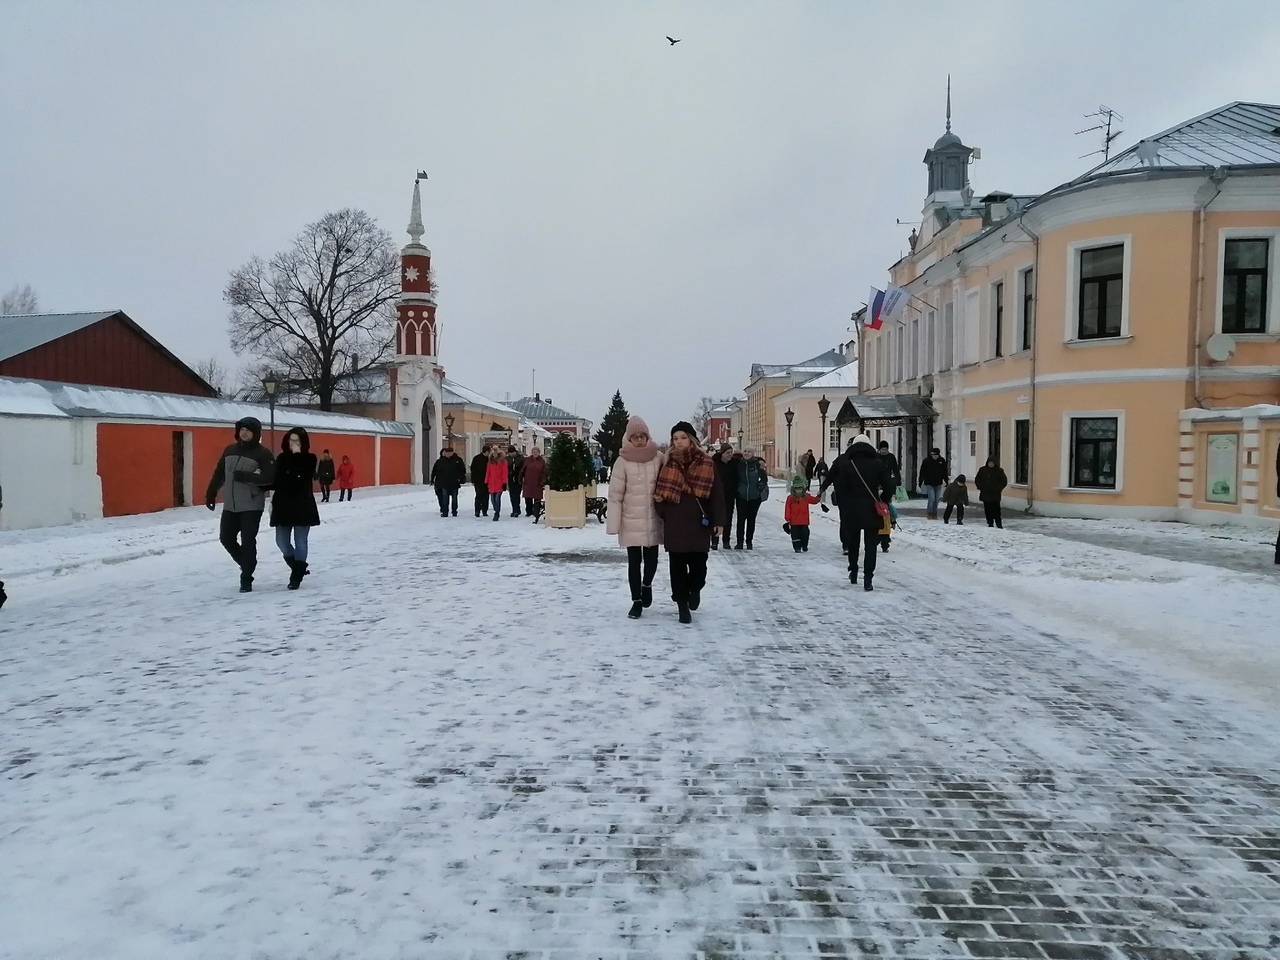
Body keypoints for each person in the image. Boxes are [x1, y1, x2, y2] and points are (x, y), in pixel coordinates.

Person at [653, 422, 725, 623]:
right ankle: (682, 604)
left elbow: (717, 494)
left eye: (683, 437)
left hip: (698, 522)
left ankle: (695, 588)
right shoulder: (667, 463)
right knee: (676, 567)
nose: (679, 442)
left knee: (699, 568)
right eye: (675, 438)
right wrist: (663, 510)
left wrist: (719, 520)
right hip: (675, 521)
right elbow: (658, 492)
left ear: (691, 439)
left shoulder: (707, 463)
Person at [205, 416, 276, 593]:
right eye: (242, 429)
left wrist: (247, 477)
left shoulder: (263, 453)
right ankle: (247, 563)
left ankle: (246, 577)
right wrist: (211, 493)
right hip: (230, 504)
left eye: (248, 430)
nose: (244, 433)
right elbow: (219, 472)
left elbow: (270, 478)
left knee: (248, 540)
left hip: (251, 505)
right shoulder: (229, 450)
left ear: (255, 433)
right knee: (226, 538)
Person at [606, 416, 665, 619]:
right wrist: (614, 524)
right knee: (634, 562)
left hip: (653, 517)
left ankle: (646, 584)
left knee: (652, 559)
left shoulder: (658, 457)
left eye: (642, 436)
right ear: (628, 438)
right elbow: (615, 495)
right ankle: (636, 601)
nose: (639, 440)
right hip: (631, 518)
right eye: (635, 437)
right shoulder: (622, 461)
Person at [819, 433, 892, 591]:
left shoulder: (845, 463)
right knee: (871, 545)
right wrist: (883, 499)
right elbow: (889, 486)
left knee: (853, 542)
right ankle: (868, 578)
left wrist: (842, 502)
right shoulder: (878, 464)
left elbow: (837, 484)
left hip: (851, 509)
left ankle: (853, 570)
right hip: (872, 509)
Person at [270, 427, 320, 589]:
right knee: (281, 542)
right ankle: (298, 568)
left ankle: (296, 577)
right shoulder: (282, 458)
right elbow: (277, 481)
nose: (294, 444)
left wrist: (298, 455)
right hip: (283, 505)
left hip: (302, 504)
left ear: (303, 443)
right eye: (291, 440)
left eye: (297, 441)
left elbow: (303, 477)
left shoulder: (310, 458)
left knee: (300, 541)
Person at [733, 448, 769, 550]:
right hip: (741, 496)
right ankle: (739, 542)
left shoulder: (757, 464)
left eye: (749, 451)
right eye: (745, 451)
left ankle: (749, 542)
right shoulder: (739, 464)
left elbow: (764, 478)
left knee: (751, 520)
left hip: (754, 497)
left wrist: (759, 489)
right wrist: (737, 489)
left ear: (753, 454)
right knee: (740, 520)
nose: (746, 453)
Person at [783, 475, 825, 553]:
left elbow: (814, 500)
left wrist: (818, 497)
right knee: (795, 535)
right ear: (794, 489)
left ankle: (804, 545)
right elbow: (787, 507)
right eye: (797, 489)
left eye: (800, 489)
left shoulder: (806, 497)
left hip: (804, 521)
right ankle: (797, 547)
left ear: (803, 489)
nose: (798, 491)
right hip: (794, 521)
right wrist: (787, 517)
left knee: (805, 533)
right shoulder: (791, 498)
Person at [711, 445, 738, 550]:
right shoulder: (715, 464)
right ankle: (714, 541)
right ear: (722, 453)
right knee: (715, 518)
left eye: (731, 452)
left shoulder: (734, 463)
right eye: (727, 452)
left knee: (728, 519)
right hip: (716, 495)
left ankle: (726, 541)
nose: (730, 455)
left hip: (730, 495)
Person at [430, 447, 467, 517]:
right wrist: (432, 480)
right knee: (445, 498)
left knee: (454, 498)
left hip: (454, 482)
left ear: (452, 452)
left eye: (449, 453)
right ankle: (445, 512)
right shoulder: (440, 461)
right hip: (444, 483)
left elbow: (462, 470)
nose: (448, 454)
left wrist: (460, 479)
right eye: (446, 453)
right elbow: (434, 471)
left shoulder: (457, 460)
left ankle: (454, 511)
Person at [975, 457, 1008, 528]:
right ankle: (990, 523)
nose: (991, 464)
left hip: (995, 494)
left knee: (996, 509)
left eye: (992, 463)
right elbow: (977, 479)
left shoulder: (999, 471)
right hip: (985, 493)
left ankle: (998, 523)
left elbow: (1004, 481)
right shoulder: (982, 470)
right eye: (989, 463)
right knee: (987, 509)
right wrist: (981, 487)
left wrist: (999, 488)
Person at [919, 447, 949, 520]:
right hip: (929, 482)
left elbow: (944, 472)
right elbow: (922, 472)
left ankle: (934, 513)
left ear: (938, 455)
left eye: (935, 455)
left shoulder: (942, 461)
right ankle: (929, 513)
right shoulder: (927, 461)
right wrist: (920, 481)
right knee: (932, 498)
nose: (934, 456)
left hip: (938, 482)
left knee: (937, 499)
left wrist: (946, 481)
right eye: (933, 455)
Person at [521, 446, 547, 518]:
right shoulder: (527, 460)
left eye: (536, 452)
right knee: (528, 498)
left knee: (537, 498)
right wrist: (521, 478)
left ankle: (536, 512)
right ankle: (529, 512)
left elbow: (545, 471)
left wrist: (544, 480)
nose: (535, 453)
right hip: (528, 481)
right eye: (534, 452)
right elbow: (523, 470)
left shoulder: (542, 461)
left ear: (539, 453)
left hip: (538, 482)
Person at [485, 447, 508, 521]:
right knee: (492, 499)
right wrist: (486, 481)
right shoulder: (490, 462)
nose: (494, 454)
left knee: (497, 499)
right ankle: (496, 509)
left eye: (495, 453)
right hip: (492, 483)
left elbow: (505, 472)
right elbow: (488, 472)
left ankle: (497, 513)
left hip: (499, 483)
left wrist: (504, 482)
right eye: (493, 453)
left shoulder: (503, 461)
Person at [470, 445, 491, 517]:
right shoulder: (477, 458)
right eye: (489, 451)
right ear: (486, 451)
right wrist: (473, 480)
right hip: (478, 481)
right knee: (479, 495)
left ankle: (485, 511)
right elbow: (473, 469)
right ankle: (477, 511)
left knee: (486, 496)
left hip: (487, 481)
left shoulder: (489, 459)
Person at [506, 445, 525, 517]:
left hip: (518, 478)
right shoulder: (507, 459)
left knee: (517, 495)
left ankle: (517, 509)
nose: (511, 454)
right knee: (512, 495)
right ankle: (514, 509)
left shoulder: (520, 458)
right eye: (509, 453)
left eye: (512, 453)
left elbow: (523, 468)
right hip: (510, 479)